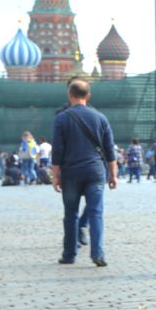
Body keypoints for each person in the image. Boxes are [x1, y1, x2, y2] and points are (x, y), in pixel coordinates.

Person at [52, 78, 118, 265]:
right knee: (96, 213)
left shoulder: (61, 118)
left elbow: (57, 151)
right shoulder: (100, 117)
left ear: (69, 95)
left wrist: (55, 176)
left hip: (71, 172)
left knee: (71, 214)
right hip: (96, 171)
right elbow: (110, 150)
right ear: (88, 96)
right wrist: (113, 175)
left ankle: (69, 254)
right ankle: (97, 254)